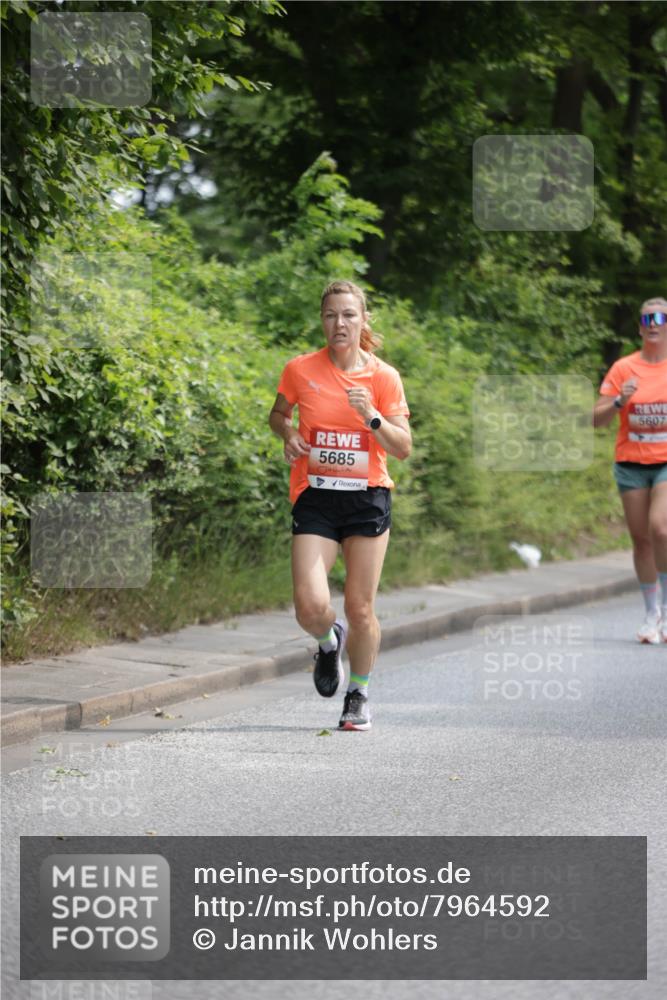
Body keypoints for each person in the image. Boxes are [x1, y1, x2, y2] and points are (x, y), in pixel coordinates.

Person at [268, 280, 412, 729]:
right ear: (322, 320)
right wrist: (289, 435)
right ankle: (329, 643)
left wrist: (371, 415)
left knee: (361, 607)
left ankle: (358, 693)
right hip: (317, 496)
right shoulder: (300, 369)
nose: (340, 323)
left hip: (367, 498)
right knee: (310, 606)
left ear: (363, 319)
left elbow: (404, 446)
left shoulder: (383, 376)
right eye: (331, 315)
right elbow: (278, 414)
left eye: (349, 315)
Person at [594, 297, 667, 644]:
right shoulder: (623, 368)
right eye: (647, 318)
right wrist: (620, 401)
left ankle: (666, 610)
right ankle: (651, 614)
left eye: (661, 317)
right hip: (631, 464)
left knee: (661, 529)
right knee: (641, 541)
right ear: (640, 327)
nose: (653, 323)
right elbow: (596, 420)